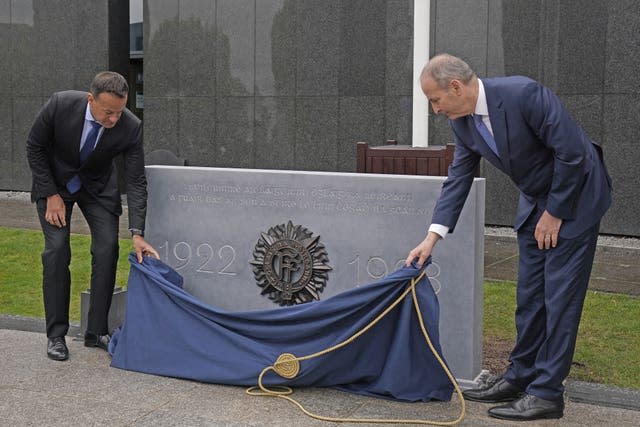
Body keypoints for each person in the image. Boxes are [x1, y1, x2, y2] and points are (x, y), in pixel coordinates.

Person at [405, 54, 611, 421]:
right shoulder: (463, 123)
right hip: (536, 204)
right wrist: (432, 237)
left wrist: (556, 213)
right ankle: (520, 377)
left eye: (435, 100)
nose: (435, 110)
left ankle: (547, 394)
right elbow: (458, 178)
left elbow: (573, 153)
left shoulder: (523, 94)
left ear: (455, 87)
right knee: (530, 297)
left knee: (559, 299)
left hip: (576, 198)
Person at [27, 71, 159, 362]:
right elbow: (34, 147)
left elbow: (136, 180)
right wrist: (50, 194)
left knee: (107, 246)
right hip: (55, 184)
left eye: (119, 112)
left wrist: (137, 232)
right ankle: (56, 336)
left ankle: (96, 331)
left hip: (97, 188)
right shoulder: (60, 105)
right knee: (57, 250)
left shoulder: (131, 127)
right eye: (108, 112)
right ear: (91, 99)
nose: (114, 120)